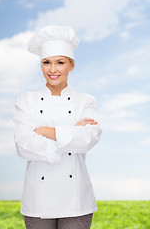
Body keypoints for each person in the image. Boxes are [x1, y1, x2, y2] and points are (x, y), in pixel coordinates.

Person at [12, 25, 102, 229]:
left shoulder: (85, 101)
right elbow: (23, 145)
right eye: (46, 63)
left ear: (71, 65)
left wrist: (45, 132)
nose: (52, 70)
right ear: (41, 65)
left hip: (76, 200)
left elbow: (88, 140)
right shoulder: (26, 101)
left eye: (60, 62)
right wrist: (71, 133)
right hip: (38, 200)